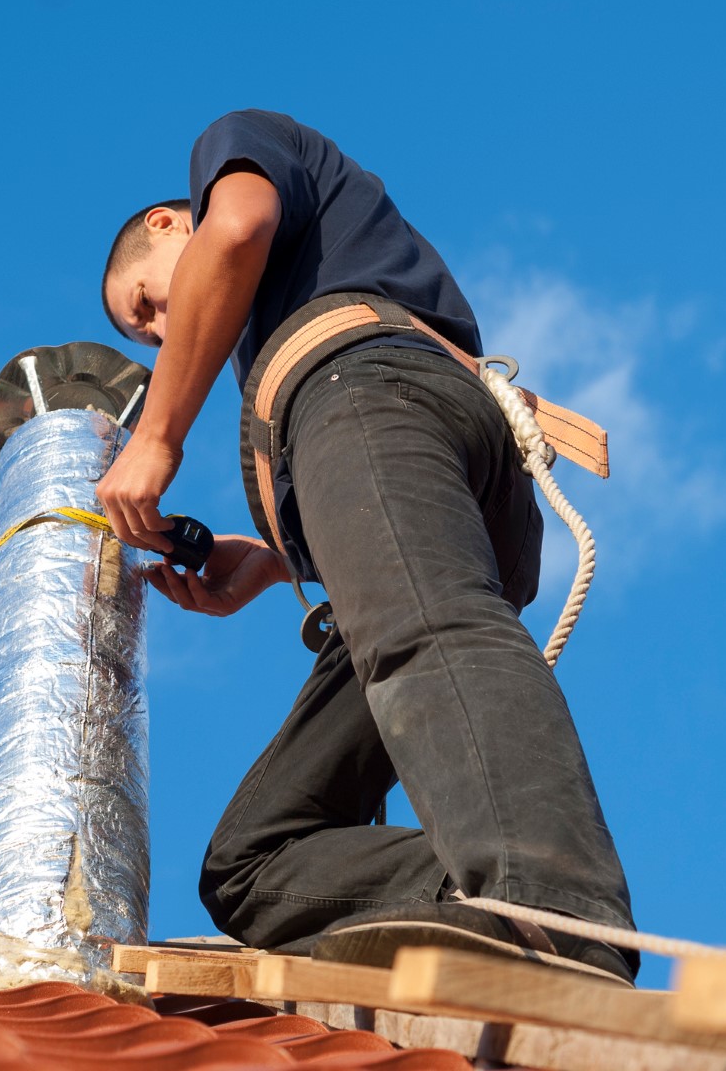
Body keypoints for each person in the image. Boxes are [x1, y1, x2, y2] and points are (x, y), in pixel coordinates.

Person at [96, 110, 639, 983]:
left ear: (167, 225)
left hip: (371, 389)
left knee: (426, 638)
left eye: (148, 306)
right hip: (412, 457)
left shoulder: (232, 148)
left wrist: (157, 436)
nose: (163, 333)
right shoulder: (280, 339)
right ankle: (478, 902)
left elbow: (233, 232)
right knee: (254, 864)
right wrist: (276, 561)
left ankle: (553, 914)